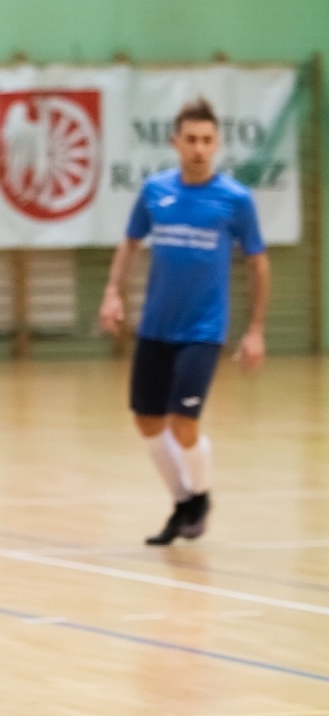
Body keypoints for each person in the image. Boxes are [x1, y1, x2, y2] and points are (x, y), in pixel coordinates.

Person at [98, 97, 269, 545]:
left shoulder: (235, 200)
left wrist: (254, 330)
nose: (199, 148)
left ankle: (201, 496)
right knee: (146, 420)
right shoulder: (155, 191)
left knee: (182, 422)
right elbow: (130, 242)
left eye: (207, 140)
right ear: (175, 142)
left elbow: (258, 263)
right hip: (156, 326)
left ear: (217, 143)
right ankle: (182, 502)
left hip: (203, 330)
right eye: (191, 139)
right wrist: (113, 292)